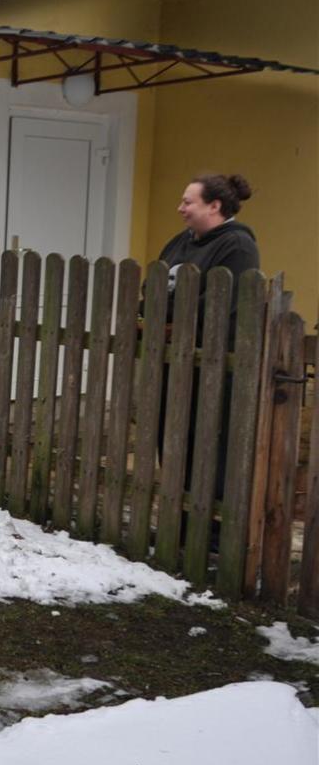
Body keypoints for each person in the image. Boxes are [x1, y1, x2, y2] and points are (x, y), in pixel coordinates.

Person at [154, 173, 259, 549]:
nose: (180, 208)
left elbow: (219, 301)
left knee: (208, 443)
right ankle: (178, 521)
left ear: (215, 206)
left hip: (214, 364)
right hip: (175, 359)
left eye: (188, 202)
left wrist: (170, 318)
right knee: (172, 437)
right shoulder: (180, 242)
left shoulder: (238, 246)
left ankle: (208, 532)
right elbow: (156, 283)